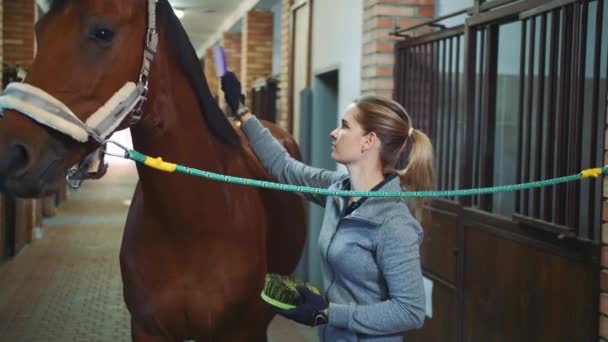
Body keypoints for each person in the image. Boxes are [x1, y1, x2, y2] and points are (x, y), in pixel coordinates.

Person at [222, 71, 434, 341]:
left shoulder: (394, 224)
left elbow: (410, 311)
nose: (334, 133)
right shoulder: (338, 189)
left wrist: (329, 312)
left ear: (369, 140)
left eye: (345, 126)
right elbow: (285, 167)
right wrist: (242, 112)